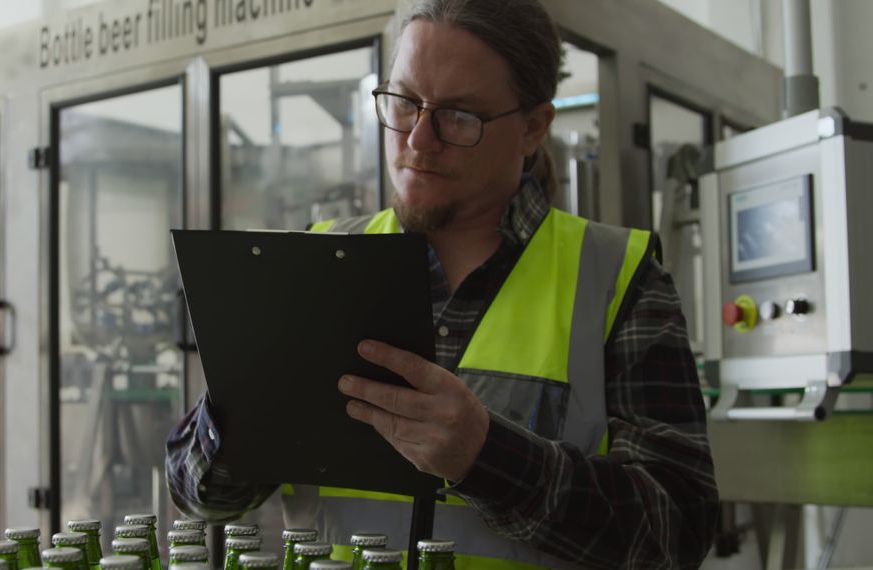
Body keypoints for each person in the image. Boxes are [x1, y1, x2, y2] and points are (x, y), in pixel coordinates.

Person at [166, 0, 718, 568]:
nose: (418, 139)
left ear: (533, 127)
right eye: (404, 102)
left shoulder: (617, 279)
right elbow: (195, 494)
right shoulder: (317, 259)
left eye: (458, 116)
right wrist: (244, 411)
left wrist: (485, 457)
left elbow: (677, 531)